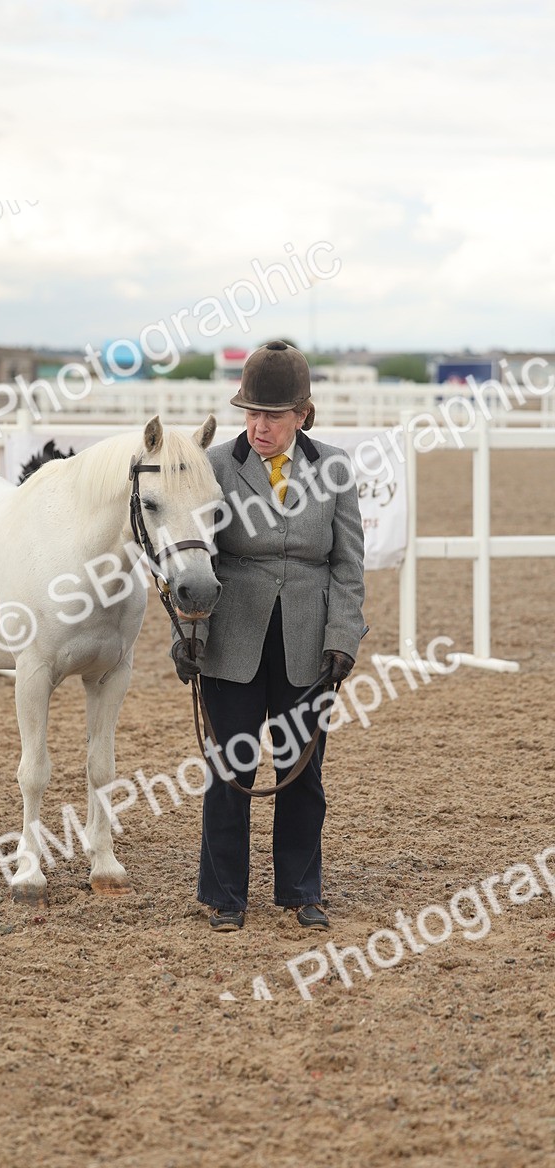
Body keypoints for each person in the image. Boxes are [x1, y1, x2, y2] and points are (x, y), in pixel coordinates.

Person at [170, 340, 365, 932]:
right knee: (230, 772)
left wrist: (344, 637)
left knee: (302, 773)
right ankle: (225, 896)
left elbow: (349, 565)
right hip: (230, 638)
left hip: (309, 641)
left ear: (302, 414)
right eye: (250, 414)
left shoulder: (333, 467)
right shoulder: (216, 468)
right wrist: (187, 635)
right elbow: (188, 557)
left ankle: (302, 890)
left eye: (272, 416)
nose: (258, 427)